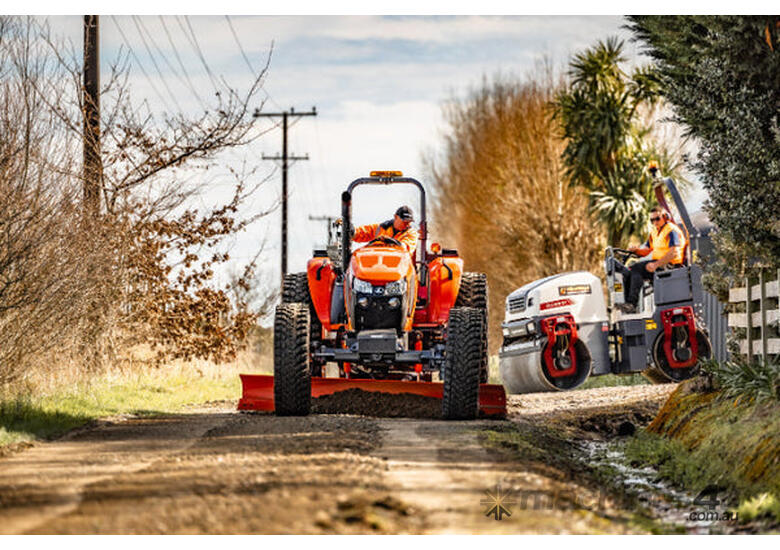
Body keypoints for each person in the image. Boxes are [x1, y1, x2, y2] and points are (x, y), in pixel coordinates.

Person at [614, 206, 687, 313]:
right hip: (659, 264)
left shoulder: (671, 230)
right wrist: (636, 251)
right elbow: (647, 250)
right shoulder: (655, 232)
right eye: (652, 220)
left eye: (657, 219)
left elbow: (674, 252)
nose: (655, 222)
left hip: (669, 265)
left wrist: (656, 264)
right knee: (631, 270)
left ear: (665, 217)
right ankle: (628, 304)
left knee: (637, 269)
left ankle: (632, 304)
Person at [352, 205, 419, 255]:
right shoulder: (381, 228)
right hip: (377, 263)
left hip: (401, 268)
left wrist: (389, 242)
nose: (407, 224)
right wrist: (352, 232)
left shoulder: (411, 233)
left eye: (409, 222)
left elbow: (405, 248)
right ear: (395, 217)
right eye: (404, 221)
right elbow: (364, 232)